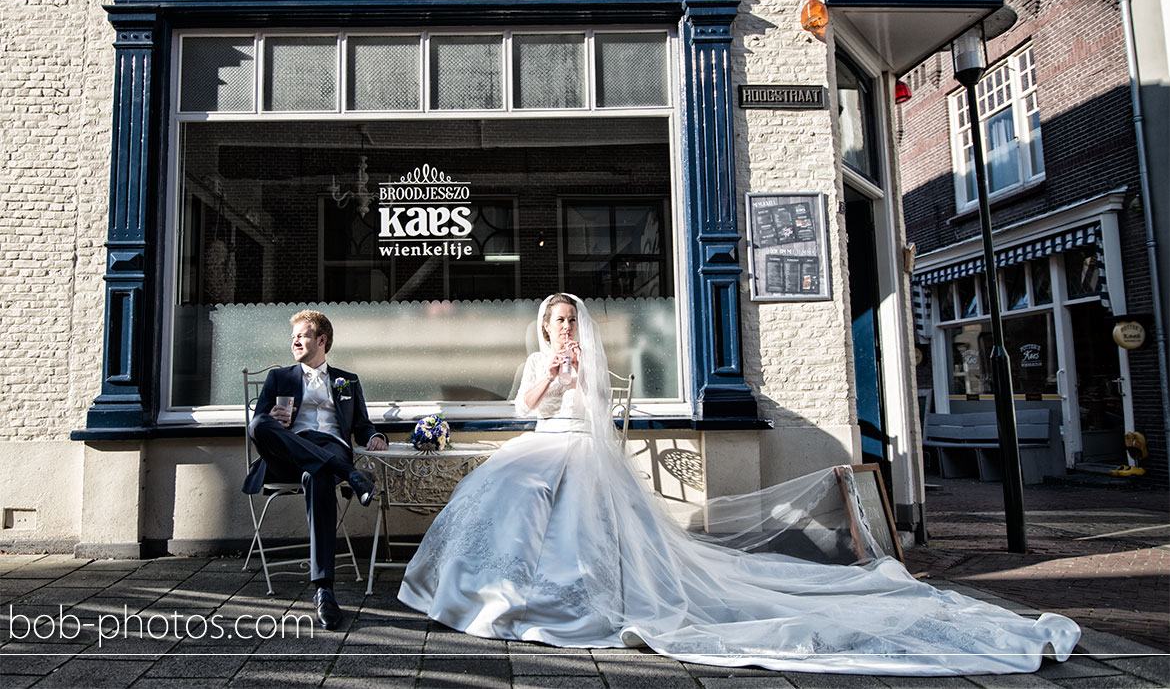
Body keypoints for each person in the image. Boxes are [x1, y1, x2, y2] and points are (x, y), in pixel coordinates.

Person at [399, 294, 1080, 675]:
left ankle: (578, 599)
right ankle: (495, 597)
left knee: (587, 522)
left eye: (571, 321)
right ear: (545, 327)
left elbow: (600, 417)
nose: (565, 329)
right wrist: (551, 374)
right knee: (505, 499)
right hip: (542, 442)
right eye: (557, 322)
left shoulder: (594, 361)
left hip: (583, 448)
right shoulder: (535, 360)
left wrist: (582, 374)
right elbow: (526, 410)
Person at [244, 310, 387, 630]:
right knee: (260, 423)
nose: (295, 340)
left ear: (321, 340)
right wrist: (276, 419)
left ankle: (324, 590)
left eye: (303, 335)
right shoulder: (279, 377)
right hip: (287, 452)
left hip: (330, 447)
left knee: (318, 475)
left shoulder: (347, 380)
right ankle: (349, 472)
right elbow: (261, 425)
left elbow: (362, 425)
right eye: (293, 336)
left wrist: (375, 436)